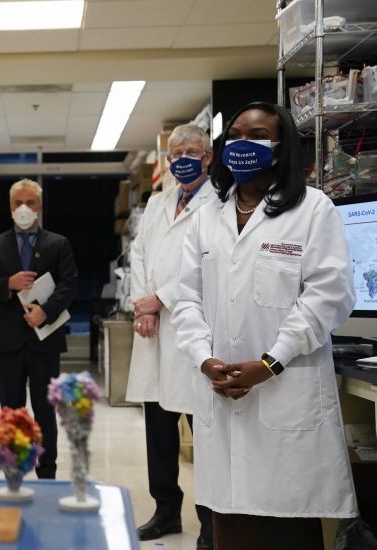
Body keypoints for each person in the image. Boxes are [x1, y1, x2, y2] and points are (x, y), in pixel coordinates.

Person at [171, 102, 357, 550]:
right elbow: (185, 299)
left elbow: (328, 297)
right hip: (221, 392)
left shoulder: (313, 209)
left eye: (256, 136)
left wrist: (269, 363)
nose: (242, 144)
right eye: (234, 134)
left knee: (286, 527)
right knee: (228, 527)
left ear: (280, 147)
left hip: (284, 390)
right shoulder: (206, 218)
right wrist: (204, 359)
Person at [125, 124, 215, 549]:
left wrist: (158, 299)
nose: (183, 158)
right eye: (176, 151)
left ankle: (212, 520)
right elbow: (139, 254)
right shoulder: (159, 202)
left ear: (208, 157)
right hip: (153, 330)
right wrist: (142, 303)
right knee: (158, 430)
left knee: (205, 431)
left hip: (194, 331)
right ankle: (166, 513)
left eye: (192, 151)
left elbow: (205, 263)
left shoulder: (220, 203)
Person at [0, 179, 78, 479]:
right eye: (18, 202)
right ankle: (14, 470)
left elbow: (69, 283)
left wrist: (45, 311)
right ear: (9, 208)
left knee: (45, 412)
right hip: (7, 343)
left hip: (45, 341)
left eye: (30, 202)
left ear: (40, 207)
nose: (24, 208)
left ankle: (47, 472)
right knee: (12, 411)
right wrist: (8, 284)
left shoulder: (57, 244)